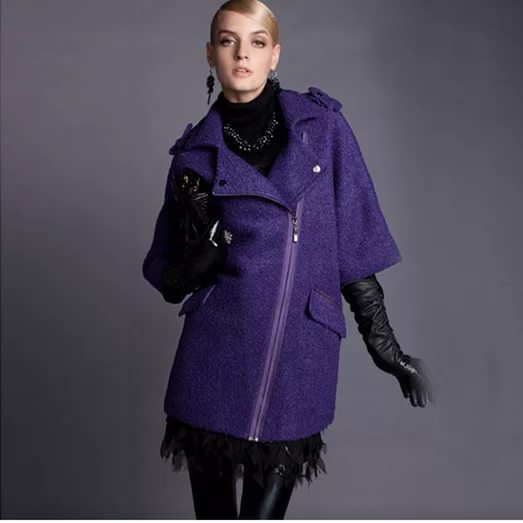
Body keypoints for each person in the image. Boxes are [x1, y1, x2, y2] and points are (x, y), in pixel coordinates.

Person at [142, 0, 435, 519]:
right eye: (228, 41)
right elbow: (163, 269)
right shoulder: (193, 156)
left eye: (256, 42)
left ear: (274, 55)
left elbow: (355, 245)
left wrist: (386, 347)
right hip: (216, 360)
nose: (242, 54)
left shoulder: (323, 127)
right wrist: (194, 265)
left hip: (301, 360)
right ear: (210, 54)